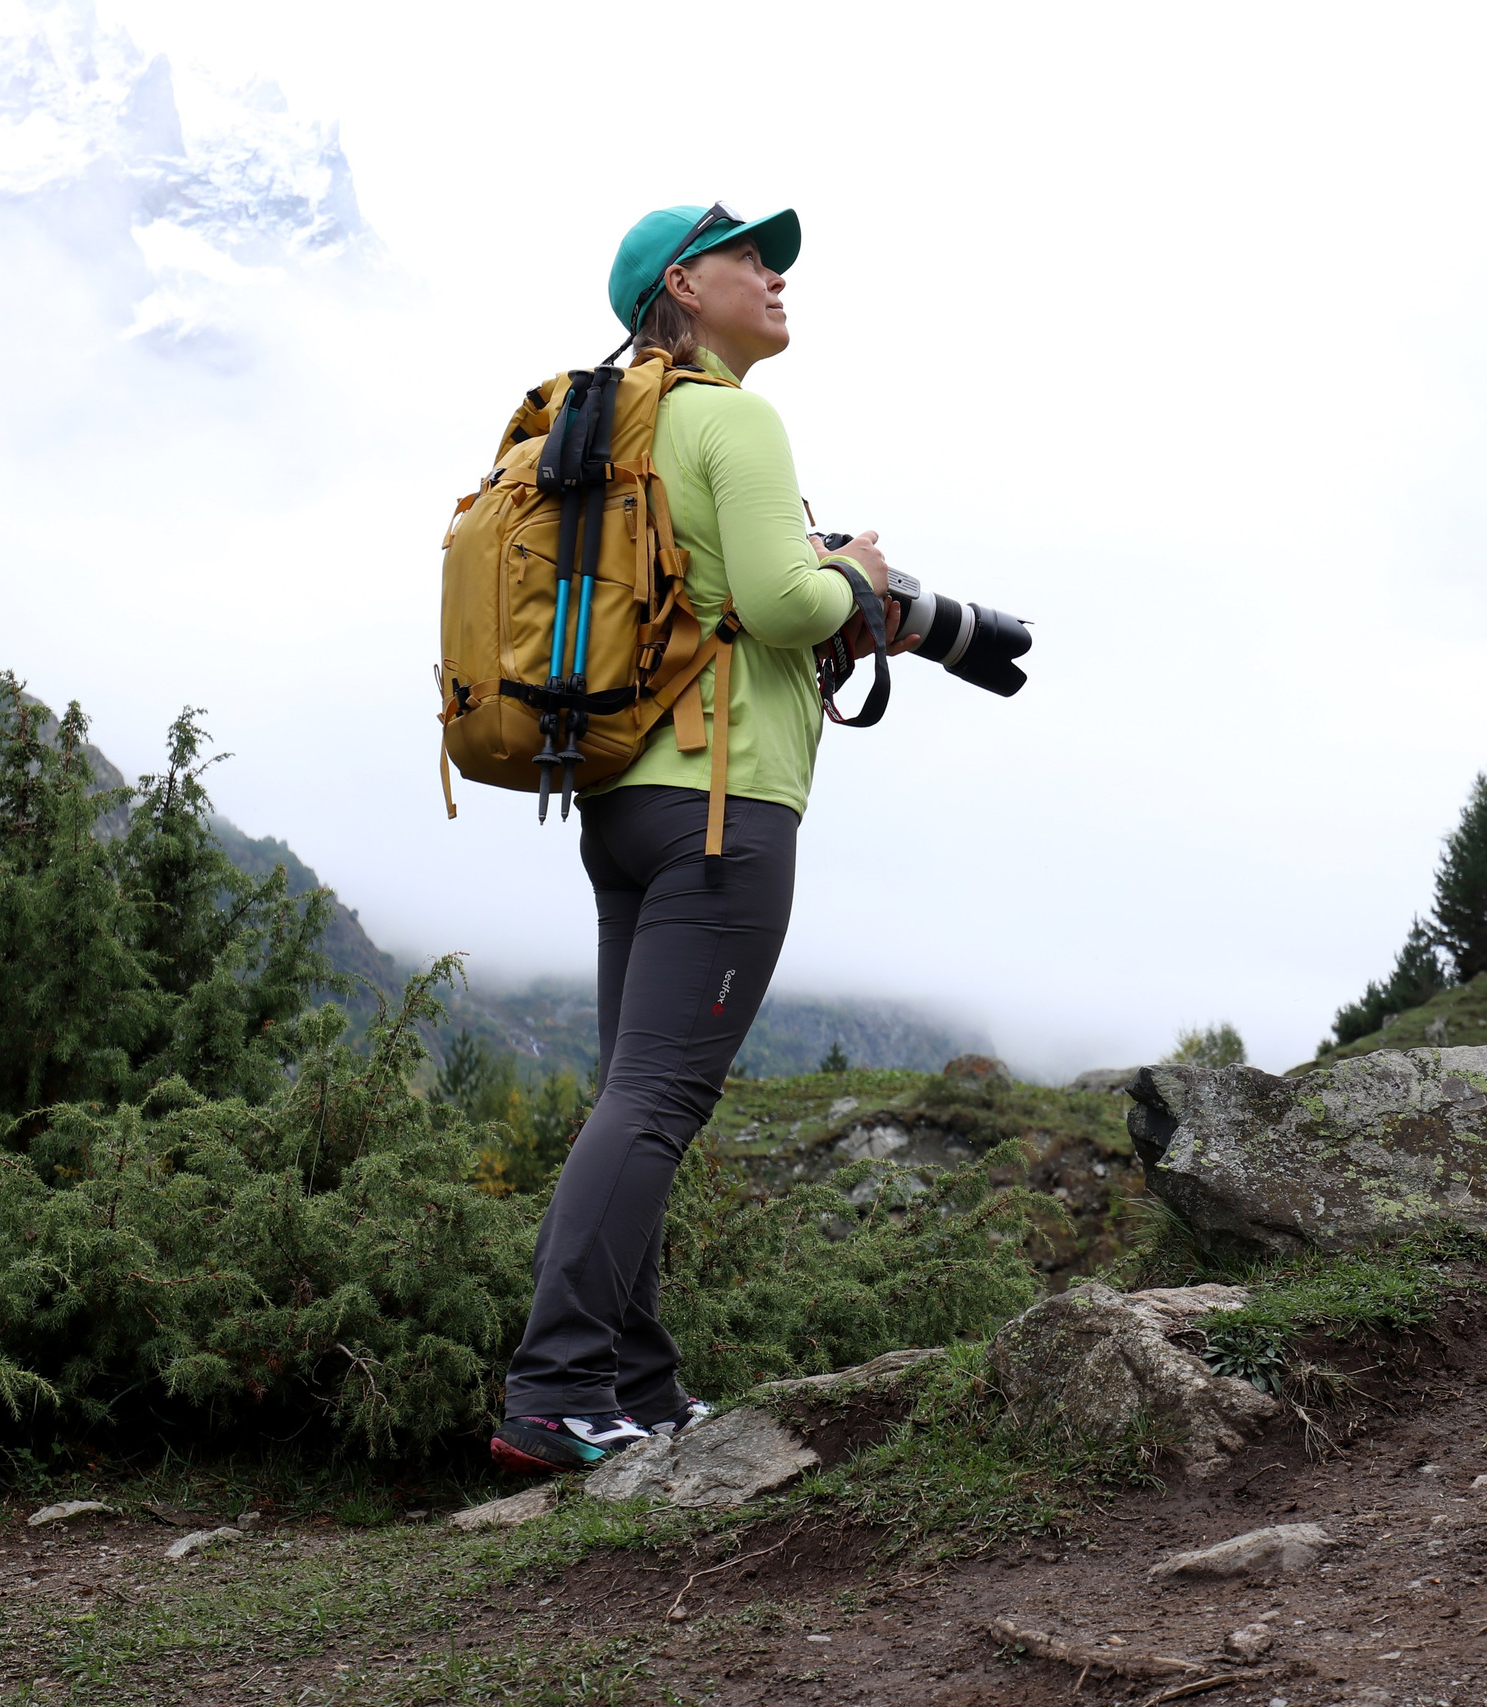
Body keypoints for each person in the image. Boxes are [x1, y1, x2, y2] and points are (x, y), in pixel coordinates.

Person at [491, 204, 914, 1474]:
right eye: (749, 256)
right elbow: (784, 605)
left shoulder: (622, 424)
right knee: (661, 1098)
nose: (775, 272)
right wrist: (860, 578)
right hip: (726, 807)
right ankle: (557, 1387)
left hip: (622, 797)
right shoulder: (730, 415)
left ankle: (634, 1379)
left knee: (633, 1091)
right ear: (682, 285)